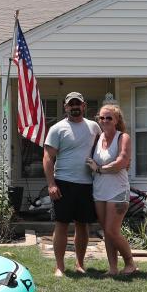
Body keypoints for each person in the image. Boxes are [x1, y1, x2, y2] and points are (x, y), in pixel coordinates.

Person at [43, 91, 100, 277]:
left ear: (84, 106)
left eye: (78, 104)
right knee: (61, 224)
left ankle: (80, 264)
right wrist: (51, 184)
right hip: (63, 183)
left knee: (83, 225)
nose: (75, 107)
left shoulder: (94, 127)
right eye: (71, 104)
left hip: (87, 184)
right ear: (65, 107)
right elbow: (48, 157)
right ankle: (59, 266)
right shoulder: (57, 129)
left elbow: (104, 149)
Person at [86, 103, 137, 275]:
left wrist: (99, 169)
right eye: (102, 117)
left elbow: (121, 162)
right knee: (106, 231)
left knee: (111, 230)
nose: (105, 120)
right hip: (99, 191)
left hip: (118, 191)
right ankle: (113, 268)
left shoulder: (123, 138)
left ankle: (130, 263)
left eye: (109, 118)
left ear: (116, 120)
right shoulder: (98, 138)